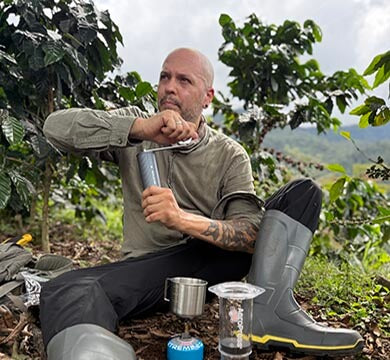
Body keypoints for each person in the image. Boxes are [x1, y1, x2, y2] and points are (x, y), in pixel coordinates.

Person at [40, 48, 363, 359]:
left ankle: (271, 314)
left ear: (207, 96)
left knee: (303, 192)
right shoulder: (137, 127)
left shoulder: (228, 154)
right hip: (148, 271)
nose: (169, 87)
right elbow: (54, 128)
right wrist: (139, 129)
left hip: (209, 266)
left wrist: (181, 219)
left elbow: (251, 233)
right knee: (69, 289)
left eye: (184, 80)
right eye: (165, 77)